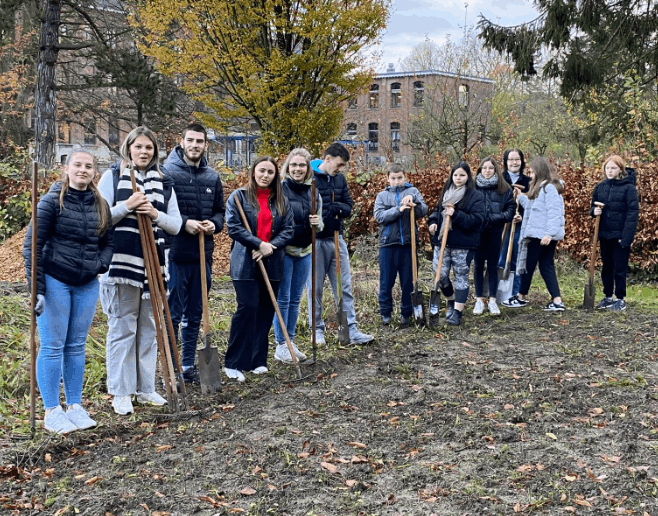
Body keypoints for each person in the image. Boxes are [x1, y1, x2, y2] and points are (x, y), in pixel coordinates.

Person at [23, 150, 113, 433]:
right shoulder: (51, 201)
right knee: (52, 346)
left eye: (89, 166)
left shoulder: (101, 205)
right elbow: (31, 247)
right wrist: (36, 289)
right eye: (78, 165)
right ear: (67, 168)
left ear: (94, 172)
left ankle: (74, 405)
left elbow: (108, 241)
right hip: (55, 281)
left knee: (76, 346)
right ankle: (52, 410)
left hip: (86, 284)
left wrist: (100, 264)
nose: (83, 170)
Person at [98, 126, 182, 415]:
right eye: (138, 147)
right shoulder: (111, 176)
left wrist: (154, 214)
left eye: (149, 147)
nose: (144, 152)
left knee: (149, 328)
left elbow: (176, 224)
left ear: (155, 152)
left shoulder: (165, 182)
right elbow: (99, 217)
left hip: (154, 266)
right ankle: (121, 392)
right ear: (128, 148)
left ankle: (145, 388)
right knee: (123, 327)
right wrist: (127, 206)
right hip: (122, 264)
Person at [163, 123, 225, 384]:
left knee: (195, 314)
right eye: (190, 140)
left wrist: (215, 224)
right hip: (176, 253)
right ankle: (171, 366)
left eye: (199, 141)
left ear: (205, 145)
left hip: (203, 255)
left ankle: (188, 364)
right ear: (182, 142)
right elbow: (161, 212)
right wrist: (184, 222)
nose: (195, 145)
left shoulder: (212, 176)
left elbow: (220, 211)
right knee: (174, 313)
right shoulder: (167, 173)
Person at [224, 157, 294, 381]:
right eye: (261, 171)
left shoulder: (281, 201)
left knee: (265, 310)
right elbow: (234, 228)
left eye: (270, 172)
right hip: (245, 262)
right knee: (247, 308)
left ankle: (257, 360)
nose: (265, 175)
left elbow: (289, 229)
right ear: (254, 172)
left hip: (272, 262)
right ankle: (234, 362)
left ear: (275, 176)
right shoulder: (239, 197)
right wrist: (257, 244)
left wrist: (270, 247)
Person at [307, 143, 373, 345]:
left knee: (343, 286)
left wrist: (339, 209)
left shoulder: (340, 179)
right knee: (315, 288)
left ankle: (350, 328)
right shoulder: (309, 178)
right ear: (327, 159)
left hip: (337, 238)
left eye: (343, 166)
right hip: (315, 241)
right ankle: (316, 329)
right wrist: (326, 215)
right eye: (339, 164)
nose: (340, 169)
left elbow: (348, 205)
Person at [272, 148, 323, 364]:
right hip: (285, 251)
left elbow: (320, 222)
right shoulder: (280, 190)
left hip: (305, 251)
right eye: (293, 165)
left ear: (307, 168)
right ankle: (281, 345)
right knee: (282, 299)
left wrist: (317, 224)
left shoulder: (313, 191)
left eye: (302, 165)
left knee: (295, 299)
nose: (298, 169)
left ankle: (290, 341)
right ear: (287, 167)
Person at [427, 162, 485, 325]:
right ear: (452, 176)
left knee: (461, 277)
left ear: (468, 177)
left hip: (464, 245)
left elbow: (477, 220)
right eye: (456, 175)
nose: (458, 178)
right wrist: (432, 222)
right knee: (441, 275)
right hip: (442, 243)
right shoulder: (446, 193)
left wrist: (456, 214)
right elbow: (437, 211)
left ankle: (458, 312)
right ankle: (451, 301)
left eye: (462, 175)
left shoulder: (475, 196)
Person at [507, 157, 565, 311]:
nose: (530, 175)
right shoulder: (540, 188)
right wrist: (520, 195)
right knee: (544, 265)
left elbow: (555, 212)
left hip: (541, 235)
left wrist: (549, 234)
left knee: (530, 265)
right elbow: (533, 208)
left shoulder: (549, 188)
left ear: (540, 171)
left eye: (532, 172)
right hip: (539, 234)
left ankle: (521, 297)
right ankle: (556, 300)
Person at [374, 162, 428, 326]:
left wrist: (414, 204)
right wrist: (399, 209)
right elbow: (380, 217)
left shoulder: (413, 191)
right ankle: (386, 314)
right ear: (388, 179)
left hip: (409, 245)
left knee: (408, 282)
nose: (397, 181)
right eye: (393, 178)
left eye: (400, 178)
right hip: (388, 245)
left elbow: (423, 211)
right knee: (386, 282)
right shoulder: (382, 196)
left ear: (405, 177)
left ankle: (407, 314)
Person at [591, 155, 639, 311]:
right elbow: (592, 208)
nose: (609, 171)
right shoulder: (600, 187)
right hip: (605, 234)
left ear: (620, 170)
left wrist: (626, 238)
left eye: (613, 168)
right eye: (607, 168)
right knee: (607, 267)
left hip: (620, 235)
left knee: (620, 268)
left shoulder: (629, 188)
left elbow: (633, 214)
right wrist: (594, 211)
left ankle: (620, 299)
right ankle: (607, 297)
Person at [473, 156, 515, 315]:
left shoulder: (504, 189)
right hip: (477, 233)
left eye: (490, 168)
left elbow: (511, 209)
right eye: (484, 168)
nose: (487, 171)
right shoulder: (473, 187)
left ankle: (492, 300)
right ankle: (478, 300)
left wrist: (496, 218)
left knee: (492, 266)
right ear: (480, 169)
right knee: (477, 266)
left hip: (495, 232)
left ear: (495, 170)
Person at [497, 149, 531, 306]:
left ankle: (515, 293)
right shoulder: (499, 179)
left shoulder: (529, 182)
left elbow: (534, 206)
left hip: (520, 225)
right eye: (510, 160)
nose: (514, 162)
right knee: (500, 257)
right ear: (505, 162)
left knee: (517, 257)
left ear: (522, 161)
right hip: (501, 223)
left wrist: (522, 216)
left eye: (517, 159)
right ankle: (495, 292)